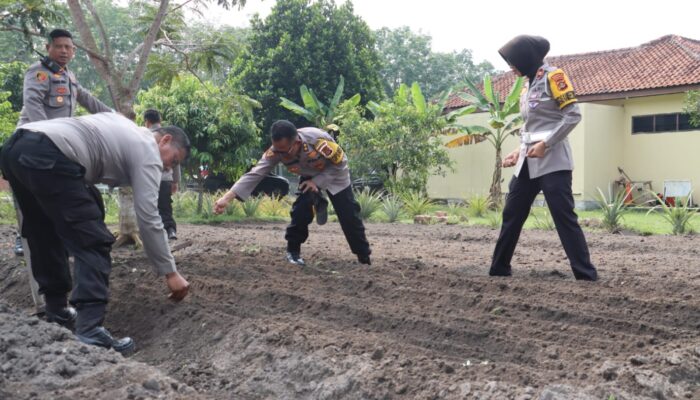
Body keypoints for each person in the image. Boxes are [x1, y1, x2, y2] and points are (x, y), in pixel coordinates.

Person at [0, 112, 191, 354]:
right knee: (93, 241)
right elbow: (149, 218)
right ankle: (89, 329)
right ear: (164, 140)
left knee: (44, 233)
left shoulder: (123, 124)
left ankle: (57, 310)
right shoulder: (148, 151)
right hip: (51, 154)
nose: (168, 168)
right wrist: (170, 272)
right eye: (173, 161)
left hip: (16, 148)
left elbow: (92, 105)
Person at [489, 35, 598, 281]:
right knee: (512, 212)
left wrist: (545, 144)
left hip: (553, 160)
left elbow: (572, 116)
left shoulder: (554, 77)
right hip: (527, 159)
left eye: (513, 61)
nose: (511, 67)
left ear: (526, 58)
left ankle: (586, 274)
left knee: (563, 216)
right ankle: (499, 269)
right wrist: (519, 150)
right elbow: (532, 126)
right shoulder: (528, 84)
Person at [214, 120, 371, 266]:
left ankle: (363, 256)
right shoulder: (276, 150)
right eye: (277, 150)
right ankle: (293, 252)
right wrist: (227, 198)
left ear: (296, 142)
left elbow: (341, 163)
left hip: (334, 173)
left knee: (349, 214)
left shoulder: (318, 141)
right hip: (308, 173)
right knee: (301, 210)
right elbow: (255, 173)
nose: (281, 155)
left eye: (285, 151)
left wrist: (317, 182)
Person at [13, 28, 112, 256]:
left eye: (68, 47)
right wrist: (49, 135)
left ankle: (64, 238)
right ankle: (21, 237)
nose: (64, 51)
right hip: (34, 140)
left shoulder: (69, 76)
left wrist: (115, 117)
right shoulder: (38, 73)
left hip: (59, 143)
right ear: (48, 48)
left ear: (74, 51)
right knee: (29, 192)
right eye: (59, 46)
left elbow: (88, 99)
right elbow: (34, 105)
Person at [143, 109, 179, 240]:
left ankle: (153, 236)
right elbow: (176, 160)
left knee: (148, 208)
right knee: (165, 207)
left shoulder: (144, 135)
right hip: (165, 179)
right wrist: (175, 181)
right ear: (160, 120)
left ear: (147, 121)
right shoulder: (170, 135)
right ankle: (170, 230)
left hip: (148, 178)